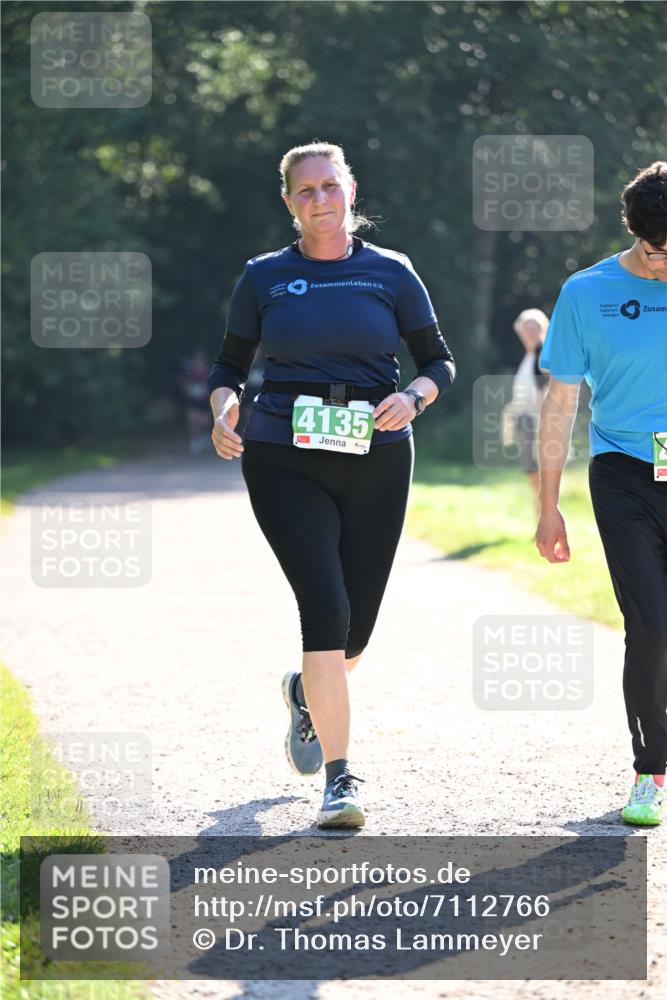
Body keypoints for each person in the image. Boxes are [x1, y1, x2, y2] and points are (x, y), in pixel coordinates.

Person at [208, 141, 455, 829]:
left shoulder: (391, 273)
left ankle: (305, 693)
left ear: (349, 190)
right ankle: (341, 782)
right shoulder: (263, 277)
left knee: (355, 634)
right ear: (289, 203)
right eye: (304, 191)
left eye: (329, 186)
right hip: (280, 450)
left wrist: (415, 396)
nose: (319, 199)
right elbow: (228, 366)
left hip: (377, 452)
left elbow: (438, 360)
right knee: (323, 606)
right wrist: (223, 407)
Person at [536, 161, 667, 826]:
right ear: (634, 234)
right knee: (648, 624)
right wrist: (546, 505)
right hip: (622, 473)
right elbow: (560, 401)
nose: (665, 265)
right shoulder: (585, 293)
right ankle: (649, 771)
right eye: (656, 252)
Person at [501, 308, 549, 510]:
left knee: (539, 474)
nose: (529, 333)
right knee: (533, 474)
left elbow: (550, 385)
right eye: (526, 329)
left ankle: (544, 518)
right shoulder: (530, 356)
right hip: (525, 420)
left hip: (537, 421)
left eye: (534, 328)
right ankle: (539, 518)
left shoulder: (543, 353)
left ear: (542, 329)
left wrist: (542, 418)